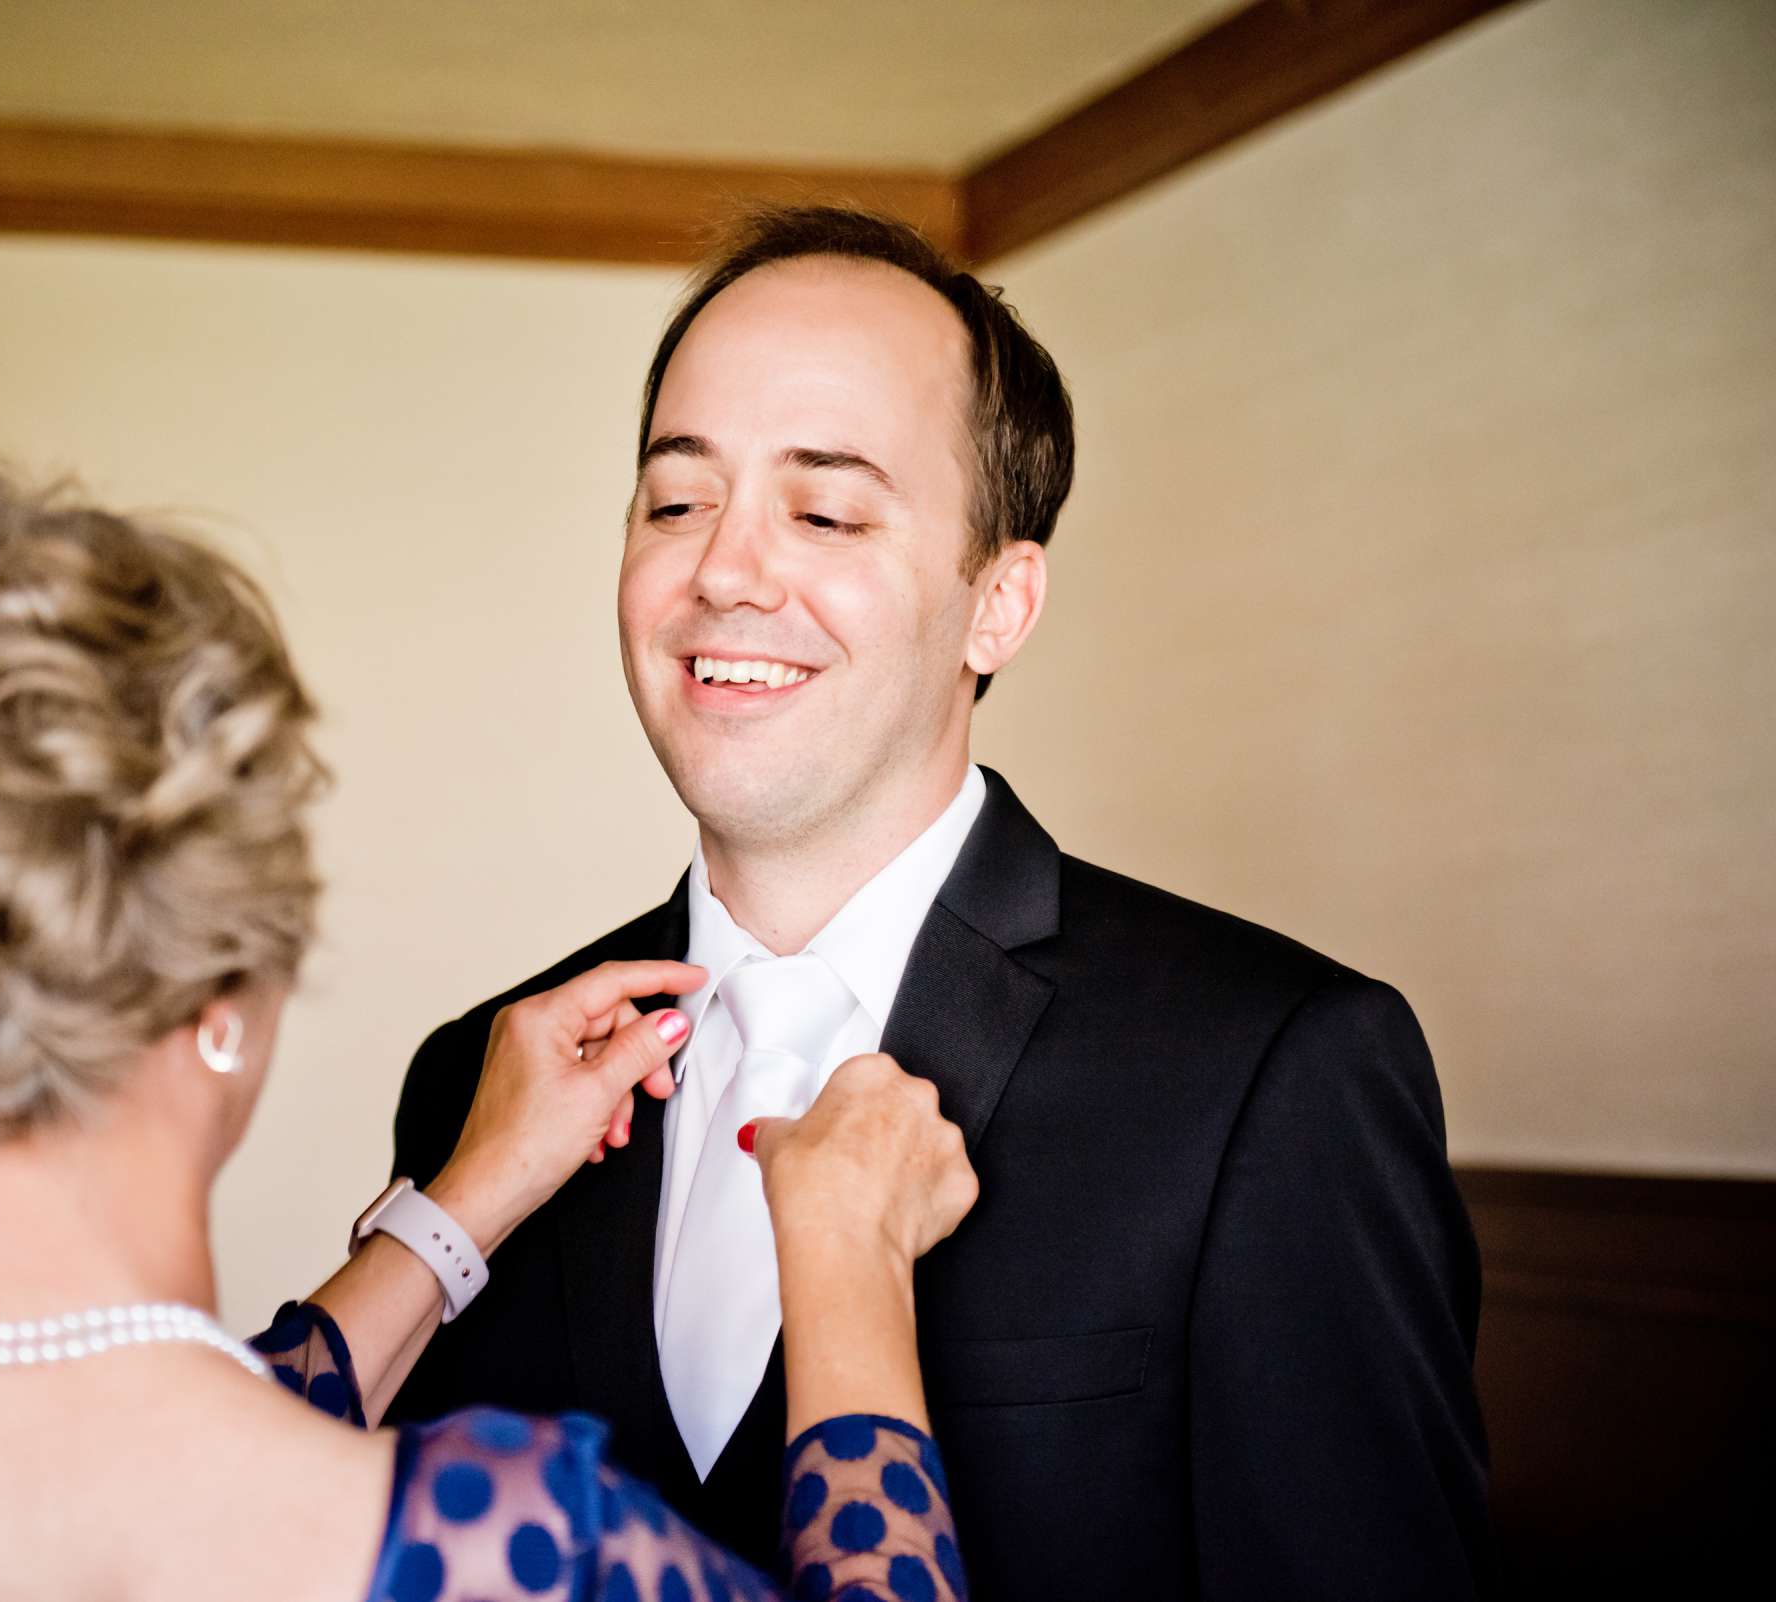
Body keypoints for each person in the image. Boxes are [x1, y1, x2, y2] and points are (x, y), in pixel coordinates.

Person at [0, 457, 984, 1602]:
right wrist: (850, 1268)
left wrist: (466, 1202)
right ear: (223, 998)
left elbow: (115, 1443)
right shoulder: (499, 1542)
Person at [388, 206, 1492, 1598]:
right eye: (677, 501)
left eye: (827, 509)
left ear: (999, 604)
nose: (723, 568)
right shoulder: (473, 1088)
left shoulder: (1277, 1073)